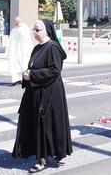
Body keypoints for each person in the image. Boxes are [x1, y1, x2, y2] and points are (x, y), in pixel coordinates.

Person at [13, 19, 72, 172]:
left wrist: (32, 75)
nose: (34, 32)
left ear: (46, 31)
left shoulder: (52, 47)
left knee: (44, 125)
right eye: (34, 29)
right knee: (36, 124)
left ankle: (43, 159)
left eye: (37, 29)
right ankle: (41, 153)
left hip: (49, 93)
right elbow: (32, 67)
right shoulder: (36, 48)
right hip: (36, 91)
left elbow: (54, 71)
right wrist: (27, 74)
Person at [6, 17, 34, 85]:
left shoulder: (25, 28)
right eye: (15, 21)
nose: (17, 22)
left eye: (18, 21)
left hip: (23, 50)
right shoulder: (14, 30)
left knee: (23, 64)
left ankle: (24, 79)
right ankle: (16, 79)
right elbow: (11, 40)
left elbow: (27, 39)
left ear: (21, 21)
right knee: (15, 64)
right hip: (15, 50)